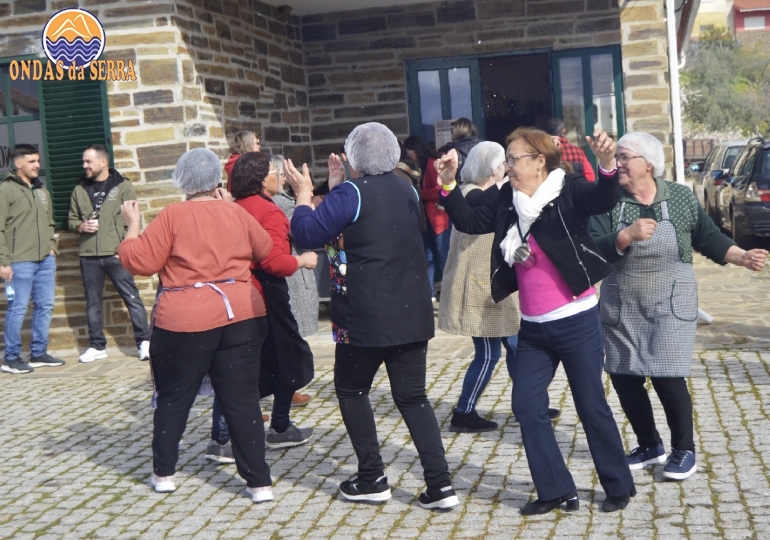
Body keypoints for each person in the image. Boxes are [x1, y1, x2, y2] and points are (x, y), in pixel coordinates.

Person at [438, 127, 635, 514]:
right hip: (532, 327)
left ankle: (618, 485)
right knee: (527, 408)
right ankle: (556, 490)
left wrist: (608, 164)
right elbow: (471, 221)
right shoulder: (506, 197)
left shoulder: (567, 188)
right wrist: (447, 185)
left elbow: (603, 199)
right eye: (506, 160)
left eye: (513, 159)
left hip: (576, 319)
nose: (507, 166)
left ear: (539, 162)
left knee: (590, 404)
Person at [286, 122, 459, 510]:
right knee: (413, 398)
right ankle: (441, 485)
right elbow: (371, 229)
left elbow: (306, 233)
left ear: (354, 160)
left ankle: (371, 477)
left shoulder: (352, 193)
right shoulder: (406, 188)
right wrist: (336, 188)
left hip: (365, 315)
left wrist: (302, 194)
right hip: (410, 311)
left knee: (351, 390)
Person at [589, 132, 768, 481]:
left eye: (626, 158)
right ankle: (649, 444)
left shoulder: (681, 199)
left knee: (667, 377)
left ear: (649, 165)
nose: (619, 164)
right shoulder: (606, 201)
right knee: (624, 378)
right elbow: (593, 249)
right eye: (619, 158)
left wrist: (742, 256)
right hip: (623, 304)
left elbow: (709, 238)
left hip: (670, 303)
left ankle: (684, 450)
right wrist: (625, 236)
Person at [118, 148, 275, 503]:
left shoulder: (173, 215)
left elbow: (139, 260)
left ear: (183, 183)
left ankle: (164, 474)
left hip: (186, 320)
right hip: (242, 315)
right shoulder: (234, 212)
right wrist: (230, 208)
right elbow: (264, 247)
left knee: (174, 397)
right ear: (216, 181)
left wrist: (132, 227)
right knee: (242, 401)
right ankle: (259, 484)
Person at [206, 151, 316, 464]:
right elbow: (274, 263)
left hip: (231, 297)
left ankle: (222, 437)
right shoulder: (268, 212)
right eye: (272, 171)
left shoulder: (230, 208)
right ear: (259, 179)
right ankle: (276, 428)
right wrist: (303, 260)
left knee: (235, 366)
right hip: (265, 295)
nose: (278, 175)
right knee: (289, 360)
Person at [437, 141, 521, 432]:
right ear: (490, 168)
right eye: (502, 165)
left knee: (515, 345)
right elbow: (479, 207)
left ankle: (527, 403)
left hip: (491, 287)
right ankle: (463, 412)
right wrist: (509, 184)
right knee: (488, 354)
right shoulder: (469, 194)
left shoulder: (485, 193)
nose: (506, 170)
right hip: (474, 288)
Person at [68, 144, 150, 363]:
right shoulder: (79, 189)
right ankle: (97, 346)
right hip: (88, 256)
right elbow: (71, 219)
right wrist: (80, 227)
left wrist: (123, 248)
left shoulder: (123, 186)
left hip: (116, 254)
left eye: (88, 161)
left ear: (103, 162)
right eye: (84, 161)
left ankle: (144, 342)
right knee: (92, 302)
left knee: (132, 297)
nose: (84, 165)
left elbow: (132, 220)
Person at [0, 144, 64, 374]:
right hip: (19, 262)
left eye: (38, 161)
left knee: (45, 306)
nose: (37, 165)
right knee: (17, 308)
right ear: (18, 164)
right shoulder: (5, 191)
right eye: (32, 161)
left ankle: (38, 353)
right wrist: (3, 261)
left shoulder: (41, 191)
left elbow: (50, 223)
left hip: (45, 260)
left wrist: (52, 247)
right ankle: (11, 358)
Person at [271, 154, 315, 408]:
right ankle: (288, 391)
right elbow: (305, 234)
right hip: (291, 272)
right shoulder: (283, 204)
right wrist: (305, 200)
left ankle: (287, 390)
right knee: (288, 340)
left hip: (286, 271)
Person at [404, 135, 449, 300]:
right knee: (427, 256)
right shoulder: (423, 164)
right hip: (427, 220)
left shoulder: (432, 163)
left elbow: (439, 190)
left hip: (438, 218)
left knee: (443, 256)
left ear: (417, 150)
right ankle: (429, 294)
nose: (410, 157)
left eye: (410, 154)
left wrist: (419, 194)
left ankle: (449, 293)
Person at [544, 117, 596, 182]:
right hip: (576, 189)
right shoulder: (578, 151)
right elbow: (590, 177)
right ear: (564, 130)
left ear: (545, 133)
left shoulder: (544, 152)